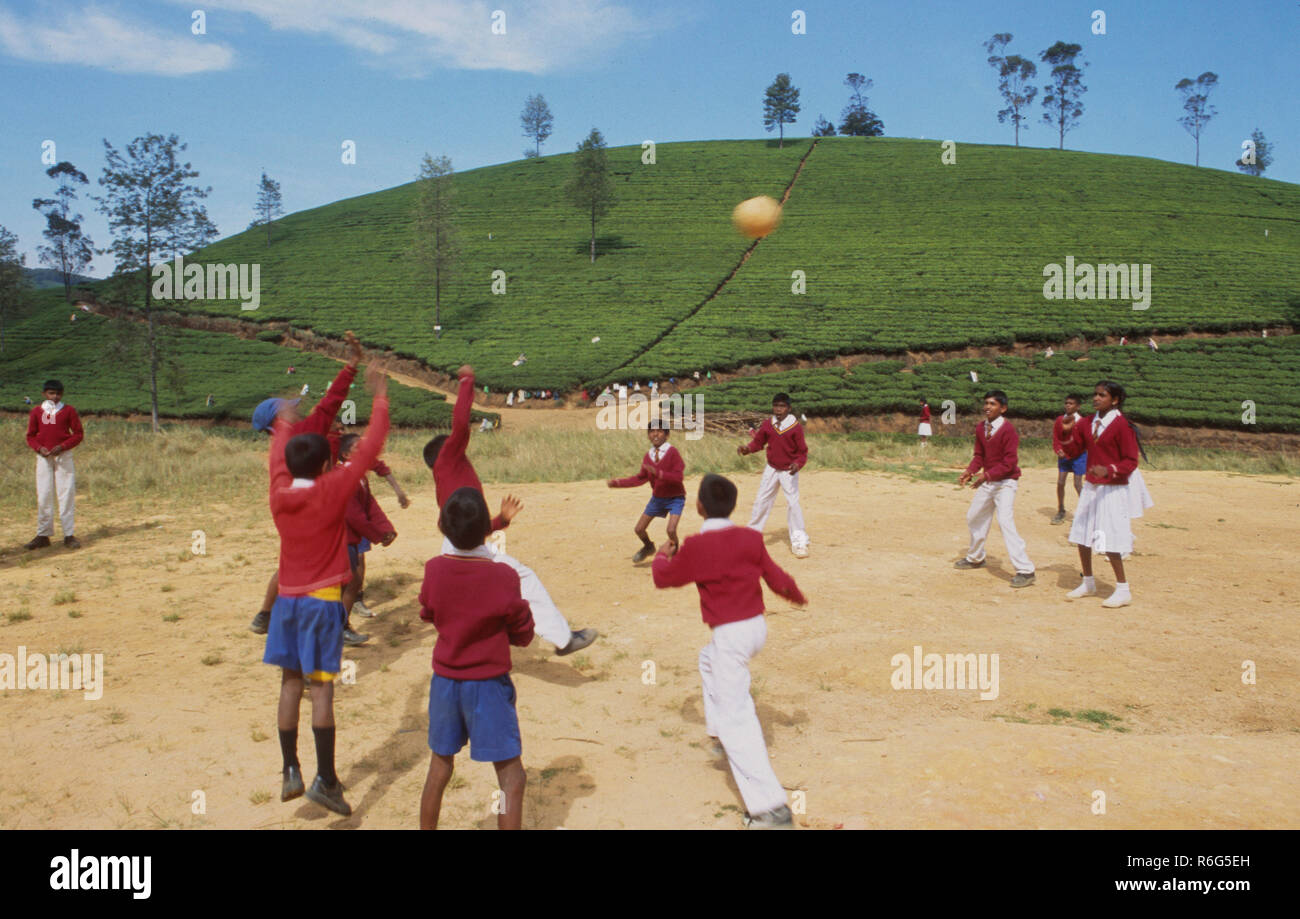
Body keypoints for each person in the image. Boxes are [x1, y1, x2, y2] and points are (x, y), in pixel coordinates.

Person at [263, 361, 390, 817]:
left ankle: (289, 770)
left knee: (289, 684)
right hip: (321, 604)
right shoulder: (332, 489)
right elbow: (371, 446)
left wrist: (283, 423)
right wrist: (379, 396)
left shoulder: (279, 493)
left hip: (287, 604)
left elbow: (280, 457)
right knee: (321, 692)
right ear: (323, 464)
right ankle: (327, 780)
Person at [652, 474, 807, 829]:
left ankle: (770, 809)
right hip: (756, 628)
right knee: (707, 661)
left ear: (699, 507)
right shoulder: (749, 538)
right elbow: (777, 577)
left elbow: (665, 579)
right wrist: (796, 595)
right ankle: (718, 730)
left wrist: (663, 556)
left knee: (739, 717)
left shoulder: (696, 545)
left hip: (732, 636)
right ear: (733, 506)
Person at [424, 365, 597, 656]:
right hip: (465, 546)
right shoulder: (449, 460)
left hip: (457, 543)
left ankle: (471, 640)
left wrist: (500, 520)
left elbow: (470, 526)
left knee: (473, 590)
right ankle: (563, 640)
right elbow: (461, 424)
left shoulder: (447, 477)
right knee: (522, 578)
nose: (460, 444)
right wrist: (467, 381)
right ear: (446, 450)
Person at [418, 488, 534, 829]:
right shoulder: (503, 577)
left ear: (442, 527)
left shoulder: (434, 570)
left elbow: (428, 612)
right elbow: (523, 632)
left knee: (440, 766)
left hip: (445, 683)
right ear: (488, 528)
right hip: (487, 686)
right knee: (512, 778)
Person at [250, 332, 363, 635]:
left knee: (291, 561)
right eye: (291, 407)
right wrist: (351, 366)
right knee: (340, 570)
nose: (298, 408)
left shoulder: (275, 449)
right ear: (279, 418)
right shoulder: (302, 433)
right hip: (317, 509)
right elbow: (329, 406)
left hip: (288, 512)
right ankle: (335, 624)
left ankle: (265, 615)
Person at [1059, 381, 1152, 608]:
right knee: (1082, 534)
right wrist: (1067, 436)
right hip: (1092, 485)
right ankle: (1088, 582)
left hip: (1113, 487)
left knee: (1110, 537)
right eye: (1095, 394)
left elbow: (1131, 461)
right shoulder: (1089, 422)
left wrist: (1109, 470)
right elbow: (1076, 449)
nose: (1096, 398)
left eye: (1102, 395)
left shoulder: (1122, 426)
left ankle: (1123, 589)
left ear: (1115, 400)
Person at [954, 390, 1035, 588]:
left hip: (1006, 482)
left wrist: (986, 476)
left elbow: (1010, 463)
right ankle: (976, 557)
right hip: (988, 481)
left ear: (1003, 408)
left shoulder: (1008, 430)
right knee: (974, 516)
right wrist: (970, 471)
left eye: (992, 404)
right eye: (986, 403)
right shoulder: (981, 428)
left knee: (1005, 521)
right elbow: (979, 455)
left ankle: (1026, 570)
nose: (987, 407)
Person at [339, 433, 397, 643]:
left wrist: (386, 528)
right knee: (348, 583)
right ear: (345, 454)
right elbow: (354, 515)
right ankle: (339, 628)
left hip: (350, 539)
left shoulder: (360, 476)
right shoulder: (346, 477)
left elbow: (369, 505)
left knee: (351, 583)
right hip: (340, 540)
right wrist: (377, 535)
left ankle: (340, 627)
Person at [737, 392, 809, 558]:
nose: (778, 409)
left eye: (782, 406)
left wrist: (797, 464)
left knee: (792, 503)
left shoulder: (795, 427)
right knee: (762, 500)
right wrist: (747, 449)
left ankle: (799, 541)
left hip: (788, 470)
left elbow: (802, 452)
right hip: (771, 468)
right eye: (776, 406)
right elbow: (758, 442)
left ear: (789, 408)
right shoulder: (768, 424)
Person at [607, 421, 685, 562]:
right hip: (658, 498)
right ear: (648, 435)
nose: (655, 434)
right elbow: (639, 478)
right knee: (639, 529)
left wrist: (659, 473)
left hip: (675, 498)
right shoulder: (648, 456)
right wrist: (618, 483)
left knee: (671, 530)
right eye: (652, 431)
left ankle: (675, 551)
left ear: (667, 434)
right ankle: (648, 546)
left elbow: (678, 477)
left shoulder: (673, 453)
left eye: (660, 431)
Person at [24, 379, 84, 550]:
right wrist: (39, 448)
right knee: (43, 494)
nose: (55, 397)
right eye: (51, 393)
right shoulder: (37, 411)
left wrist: (63, 446)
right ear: (44, 394)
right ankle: (43, 534)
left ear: (62, 394)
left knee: (66, 493)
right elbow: (31, 436)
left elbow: (78, 434)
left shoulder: (68, 411)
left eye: (58, 393)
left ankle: (68, 534)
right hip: (44, 457)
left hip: (63, 456)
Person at [1051, 394, 1087, 525]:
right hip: (1064, 457)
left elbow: (1084, 442)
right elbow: (1056, 437)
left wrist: (1072, 453)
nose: (1068, 405)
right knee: (1060, 482)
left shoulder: (1082, 422)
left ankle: (1085, 512)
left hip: (1078, 456)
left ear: (1078, 406)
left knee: (1077, 484)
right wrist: (1058, 449)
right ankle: (1061, 510)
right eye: (1066, 403)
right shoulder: (1060, 419)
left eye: (1071, 403)